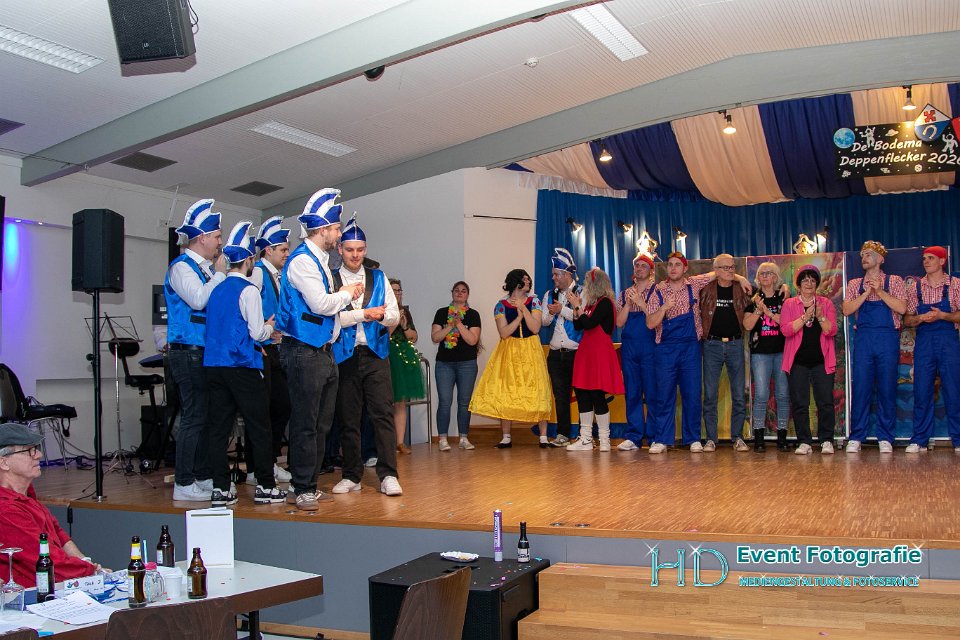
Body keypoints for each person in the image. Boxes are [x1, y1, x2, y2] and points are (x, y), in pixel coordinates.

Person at [276, 188, 362, 511]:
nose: (339, 234)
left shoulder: (321, 262)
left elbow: (329, 312)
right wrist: (348, 292)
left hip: (323, 351)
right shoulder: (302, 262)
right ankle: (301, 488)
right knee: (305, 423)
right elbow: (321, 304)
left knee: (322, 424)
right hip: (303, 351)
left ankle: (308, 483)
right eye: (336, 228)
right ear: (323, 229)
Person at [204, 222, 283, 506]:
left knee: (218, 428)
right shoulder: (248, 290)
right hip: (242, 364)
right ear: (249, 260)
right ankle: (265, 486)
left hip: (214, 365)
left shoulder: (215, 289)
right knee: (259, 426)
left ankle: (220, 488)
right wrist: (270, 326)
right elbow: (257, 333)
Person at [645, 252, 748, 454]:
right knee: (664, 394)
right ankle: (662, 439)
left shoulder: (694, 283)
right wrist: (664, 308)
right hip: (666, 349)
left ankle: (693, 438)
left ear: (685, 268)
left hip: (691, 347)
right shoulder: (658, 290)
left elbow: (719, 271)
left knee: (692, 394)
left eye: (677, 265)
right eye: (670, 265)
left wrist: (741, 278)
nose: (673, 268)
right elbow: (650, 323)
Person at [330, 216, 403, 497]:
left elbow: (394, 314)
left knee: (382, 414)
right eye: (350, 250)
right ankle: (352, 475)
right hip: (344, 355)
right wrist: (365, 314)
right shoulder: (331, 279)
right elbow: (333, 318)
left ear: (366, 249)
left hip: (376, 354)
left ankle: (389, 475)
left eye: (360, 249)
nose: (355, 255)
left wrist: (381, 315)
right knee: (348, 418)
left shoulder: (378, 277)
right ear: (340, 249)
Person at [165, 198, 226, 502]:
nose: (220, 242)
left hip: (204, 351)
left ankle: (201, 475)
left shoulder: (204, 269)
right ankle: (183, 480)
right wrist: (220, 274)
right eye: (217, 236)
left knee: (205, 416)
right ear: (202, 237)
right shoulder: (181, 267)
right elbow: (198, 299)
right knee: (193, 416)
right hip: (187, 350)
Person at [0, 423, 105, 587]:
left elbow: (58, 533)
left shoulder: (26, 496)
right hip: (33, 595)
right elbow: (48, 561)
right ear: (4, 463)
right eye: (29, 451)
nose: (39, 455)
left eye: (36, 449)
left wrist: (85, 561)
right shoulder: (6, 510)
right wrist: (91, 571)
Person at [469, 269, 553, 447]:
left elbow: (535, 328)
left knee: (538, 389)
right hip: (510, 350)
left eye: (528, 279)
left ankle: (543, 437)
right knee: (506, 391)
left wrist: (523, 309)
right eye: (525, 279)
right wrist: (518, 317)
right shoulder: (501, 305)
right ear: (516, 282)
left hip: (531, 349)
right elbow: (504, 332)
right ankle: (506, 436)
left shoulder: (534, 302)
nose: (528, 281)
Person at [842, 241, 907, 454]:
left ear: (880, 259)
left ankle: (885, 437)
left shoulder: (894, 281)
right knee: (861, 387)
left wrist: (879, 291)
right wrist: (865, 293)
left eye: (868, 254)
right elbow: (846, 310)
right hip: (864, 339)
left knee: (887, 388)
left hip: (887, 338)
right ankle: (856, 436)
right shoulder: (855, 284)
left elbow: (902, 308)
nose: (864, 257)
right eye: (862, 255)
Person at [247, 215, 293, 484]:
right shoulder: (257, 273)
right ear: (268, 250)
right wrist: (256, 337)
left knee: (281, 407)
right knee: (262, 411)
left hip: (277, 348)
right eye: (283, 249)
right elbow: (245, 306)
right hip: (262, 349)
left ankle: (270, 461)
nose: (287, 254)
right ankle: (256, 468)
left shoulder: (279, 275)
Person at [903, 246, 960, 453]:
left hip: (948, 340)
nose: (926, 261)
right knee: (922, 390)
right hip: (924, 341)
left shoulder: (955, 285)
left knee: (954, 389)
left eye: (931, 258)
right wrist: (920, 318)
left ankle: (958, 439)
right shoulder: (915, 287)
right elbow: (907, 319)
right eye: (924, 258)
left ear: (942, 261)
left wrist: (943, 316)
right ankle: (919, 439)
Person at [780, 264, 838, 455]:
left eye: (813, 280)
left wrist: (820, 317)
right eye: (805, 280)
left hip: (822, 361)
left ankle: (826, 440)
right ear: (798, 284)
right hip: (798, 362)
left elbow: (831, 330)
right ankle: (804, 441)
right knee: (800, 403)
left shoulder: (825, 303)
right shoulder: (789, 304)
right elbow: (786, 330)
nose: (809, 283)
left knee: (825, 402)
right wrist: (805, 317)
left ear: (817, 284)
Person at [565, 268, 625, 451]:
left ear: (594, 284)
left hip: (599, 352)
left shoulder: (605, 303)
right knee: (582, 392)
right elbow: (578, 325)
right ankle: (585, 438)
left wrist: (577, 306)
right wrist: (576, 308)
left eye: (587, 283)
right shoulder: (591, 305)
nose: (585, 287)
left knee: (597, 394)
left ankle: (604, 439)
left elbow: (590, 324)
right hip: (587, 351)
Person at [699, 253, 751, 452]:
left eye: (733, 267)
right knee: (710, 394)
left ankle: (737, 437)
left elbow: (765, 293)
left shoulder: (741, 289)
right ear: (716, 270)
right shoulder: (705, 289)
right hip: (711, 344)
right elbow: (691, 281)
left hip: (735, 344)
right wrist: (739, 276)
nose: (731, 271)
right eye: (726, 267)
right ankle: (711, 439)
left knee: (738, 394)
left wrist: (785, 289)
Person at [743, 262, 789, 452]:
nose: (764, 276)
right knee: (761, 395)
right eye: (761, 273)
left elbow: (788, 323)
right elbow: (747, 325)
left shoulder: (784, 297)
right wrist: (759, 310)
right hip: (760, 353)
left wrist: (769, 312)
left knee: (783, 394)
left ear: (775, 277)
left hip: (782, 351)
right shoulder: (753, 299)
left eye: (769, 273)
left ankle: (782, 437)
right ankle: (759, 438)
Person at [431, 281, 481, 451]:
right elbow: (435, 337)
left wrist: (459, 324)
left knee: (464, 402)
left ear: (468, 295)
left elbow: (472, 340)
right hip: (444, 364)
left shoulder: (473, 315)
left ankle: (463, 438)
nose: (460, 293)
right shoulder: (441, 313)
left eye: (463, 291)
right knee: (445, 401)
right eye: (457, 290)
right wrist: (451, 325)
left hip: (467, 364)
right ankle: (443, 439)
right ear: (452, 293)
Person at [540, 248, 582, 448]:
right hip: (556, 354)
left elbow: (582, 318)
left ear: (567, 274)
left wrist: (562, 310)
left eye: (556, 274)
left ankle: (584, 435)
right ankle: (563, 434)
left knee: (583, 394)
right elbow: (544, 322)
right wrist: (550, 312)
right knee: (560, 396)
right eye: (553, 274)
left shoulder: (582, 291)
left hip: (578, 352)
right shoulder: (550, 294)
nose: (553, 278)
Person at [615, 253, 657, 451]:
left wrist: (642, 304)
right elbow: (619, 322)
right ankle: (634, 436)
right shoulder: (625, 293)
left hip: (650, 346)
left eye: (643, 266)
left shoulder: (657, 291)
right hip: (630, 347)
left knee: (652, 392)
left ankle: (655, 436)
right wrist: (629, 304)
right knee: (632, 392)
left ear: (651, 271)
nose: (639, 268)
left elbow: (657, 319)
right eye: (637, 266)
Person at [389, 278, 424, 455]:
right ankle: (385, 444)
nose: (397, 293)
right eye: (394, 290)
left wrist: (403, 326)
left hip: (402, 356)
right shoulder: (382, 310)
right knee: (385, 401)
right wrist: (395, 320)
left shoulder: (405, 312)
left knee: (400, 402)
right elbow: (383, 334)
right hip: (387, 356)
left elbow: (413, 336)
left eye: (399, 290)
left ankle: (400, 442)